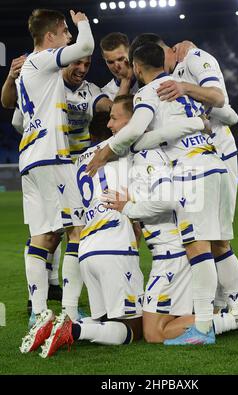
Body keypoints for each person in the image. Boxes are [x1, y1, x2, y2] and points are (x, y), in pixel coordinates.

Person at [102, 95, 238, 343]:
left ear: (136, 121)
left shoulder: (148, 157)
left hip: (171, 257)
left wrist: (128, 208)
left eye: (114, 118)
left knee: (154, 333)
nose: (110, 125)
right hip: (168, 254)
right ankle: (227, 313)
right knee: (168, 322)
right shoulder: (145, 153)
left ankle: (237, 318)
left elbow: (168, 200)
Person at [127, 33, 238, 312]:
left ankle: (203, 321)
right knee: (221, 244)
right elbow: (230, 115)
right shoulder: (177, 85)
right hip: (214, 162)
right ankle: (234, 309)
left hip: (194, 169)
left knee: (197, 245)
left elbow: (219, 97)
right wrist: (198, 121)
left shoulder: (184, 68)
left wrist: (131, 143)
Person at [4, 54, 112, 321]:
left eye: (87, 64)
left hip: (70, 166)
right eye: (78, 62)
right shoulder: (46, 84)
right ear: (62, 61)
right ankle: (64, 307)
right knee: (67, 232)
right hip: (55, 162)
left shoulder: (89, 91)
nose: (82, 69)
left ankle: (44, 303)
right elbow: (14, 112)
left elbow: (105, 105)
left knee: (51, 234)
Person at [38, 97, 145, 358]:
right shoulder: (128, 148)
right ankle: (72, 331)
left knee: (104, 320)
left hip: (87, 250)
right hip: (115, 246)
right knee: (135, 328)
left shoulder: (79, 163)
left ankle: (61, 327)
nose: (112, 124)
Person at [18, 8, 94, 354]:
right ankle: (69, 310)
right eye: (64, 32)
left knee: (44, 237)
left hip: (31, 159)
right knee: (76, 230)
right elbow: (84, 47)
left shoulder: (27, 73)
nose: (68, 37)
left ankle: (38, 313)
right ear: (51, 36)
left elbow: (19, 119)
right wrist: (81, 23)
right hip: (52, 157)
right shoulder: (43, 59)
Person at [100, 32, 139, 99]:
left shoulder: (151, 80)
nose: (116, 66)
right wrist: (126, 79)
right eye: (110, 62)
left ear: (130, 54)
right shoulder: (106, 93)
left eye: (120, 59)